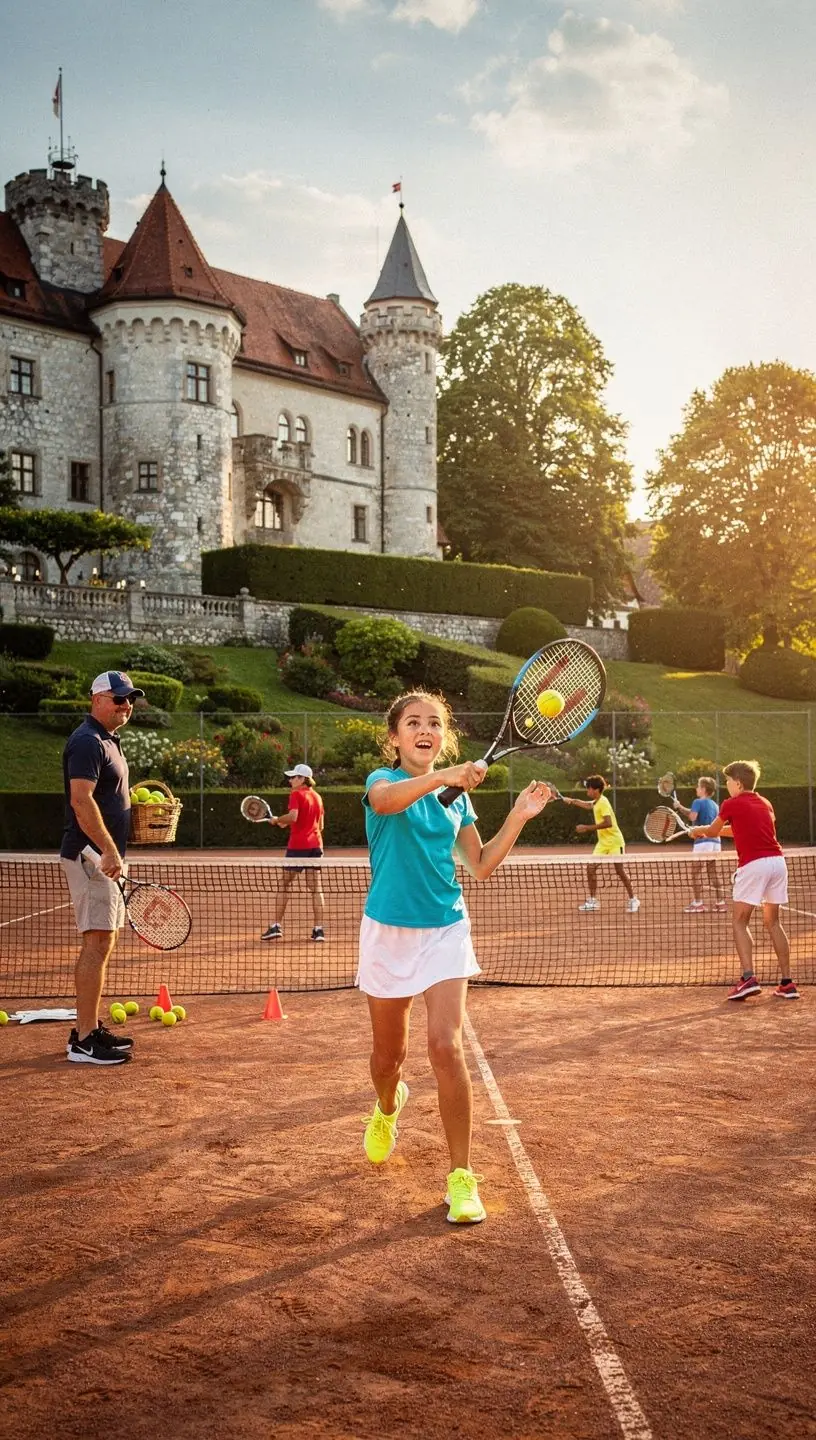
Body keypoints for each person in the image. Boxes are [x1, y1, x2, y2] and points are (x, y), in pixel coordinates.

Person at [359, 688, 552, 1225]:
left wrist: (517, 815)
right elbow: (385, 805)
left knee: (446, 1047)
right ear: (395, 736)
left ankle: (461, 1178)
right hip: (388, 933)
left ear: (445, 737)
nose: (426, 730)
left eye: (436, 723)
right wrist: (443, 779)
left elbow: (481, 864)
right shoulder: (384, 781)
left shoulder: (459, 799)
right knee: (386, 1060)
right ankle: (387, 1104)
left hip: (445, 928)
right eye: (414, 722)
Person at [60, 670, 145, 1065]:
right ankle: (82, 1042)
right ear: (97, 700)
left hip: (103, 857)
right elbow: (82, 801)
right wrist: (109, 850)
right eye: (119, 698)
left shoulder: (109, 741)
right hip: (91, 856)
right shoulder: (86, 741)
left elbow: (108, 799)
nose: (126, 705)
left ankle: (89, 1028)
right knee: (95, 943)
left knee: (103, 942)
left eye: (129, 699)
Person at [689, 759, 798, 1000]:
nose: (727, 785)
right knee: (773, 922)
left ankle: (748, 978)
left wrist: (699, 830)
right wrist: (704, 829)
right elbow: (745, 829)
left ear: (737, 783)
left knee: (739, 921)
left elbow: (714, 831)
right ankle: (787, 983)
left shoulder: (732, 803)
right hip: (777, 863)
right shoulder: (765, 803)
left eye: (728, 781)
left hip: (754, 864)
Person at [260, 763, 326, 942]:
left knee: (283, 884)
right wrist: (287, 822)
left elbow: (294, 816)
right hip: (316, 846)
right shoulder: (318, 797)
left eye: (293, 777)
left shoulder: (296, 794)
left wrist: (276, 820)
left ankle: (275, 926)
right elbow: (320, 825)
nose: (290, 780)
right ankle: (318, 930)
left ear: (303, 779)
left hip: (298, 847)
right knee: (315, 888)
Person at [563, 775, 640, 912]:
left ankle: (633, 899)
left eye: (589, 788)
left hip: (615, 842)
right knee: (590, 868)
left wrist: (586, 827)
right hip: (603, 843)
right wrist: (572, 801)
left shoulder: (603, 802)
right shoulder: (597, 801)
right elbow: (588, 805)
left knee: (619, 871)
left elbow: (608, 823)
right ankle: (593, 901)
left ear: (596, 790)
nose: (587, 790)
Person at [672, 776, 725, 913]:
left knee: (695, 873)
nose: (696, 788)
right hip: (716, 841)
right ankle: (720, 902)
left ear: (703, 789)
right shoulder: (715, 805)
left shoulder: (697, 802)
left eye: (698, 786)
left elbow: (692, 817)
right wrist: (680, 807)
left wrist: (680, 808)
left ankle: (698, 903)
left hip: (703, 842)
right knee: (712, 872)